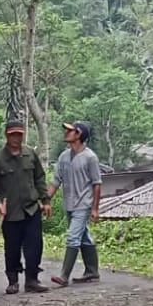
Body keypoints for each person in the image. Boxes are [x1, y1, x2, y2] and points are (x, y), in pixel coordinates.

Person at [0, 120, 51, 294]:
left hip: (31, 209)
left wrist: (45, 201)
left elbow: (39, 178)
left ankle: (32, 280)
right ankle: (13, 281)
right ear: (7, 135)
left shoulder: (30, 154)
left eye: (19, 134)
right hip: (11, 212)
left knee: (34, 247)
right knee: (12, 249)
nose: (16, 138)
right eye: (13, 134)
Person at [49, 122, 102, 287]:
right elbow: (56, 181)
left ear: (78, 134)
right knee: (84, 237)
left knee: (73, 237)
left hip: (83, 204)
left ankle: (64, 276)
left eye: (70, 131)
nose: (67, 132)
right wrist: (46, 200)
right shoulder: (64, 156)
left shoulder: (90, 157)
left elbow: (97, 183)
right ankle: (92, 271)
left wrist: (94, 208)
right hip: (69, 203)